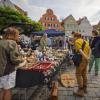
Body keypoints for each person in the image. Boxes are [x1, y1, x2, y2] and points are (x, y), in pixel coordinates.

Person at [0, 27, 26, 100]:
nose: (18, 36)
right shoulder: (12, 43)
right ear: (14, 35)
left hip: (1, 70)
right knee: (8, 90)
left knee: (2, 89)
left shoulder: (1, 42)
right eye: (18, 34)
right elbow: (14, 59)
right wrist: (22, 60)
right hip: (8, 70)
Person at [73, 32, 90, 97]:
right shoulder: (85, 41)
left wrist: (86, 57)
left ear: (76, 37)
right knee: (84, 73)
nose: (73, 38)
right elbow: (90, 50)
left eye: (73, 37)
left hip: (81, 60)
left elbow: (80, 51)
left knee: (78, 74)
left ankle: (80, 90)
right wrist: (88, 57)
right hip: (86, 60)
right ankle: (85, 87)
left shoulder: (77, 41)